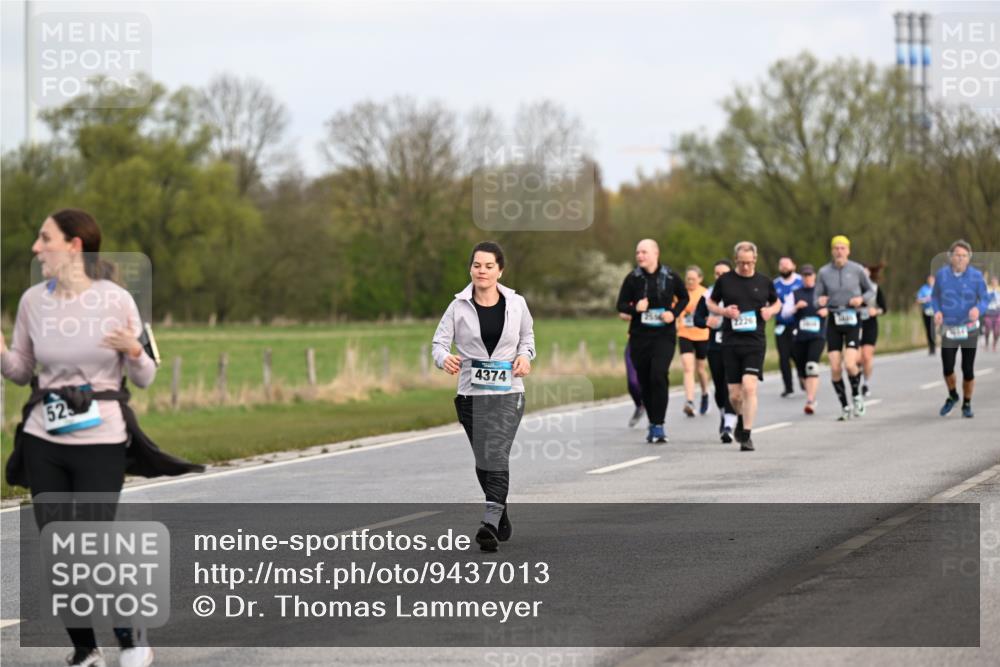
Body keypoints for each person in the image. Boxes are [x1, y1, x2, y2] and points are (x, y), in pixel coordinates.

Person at [1, 209, 202, 667]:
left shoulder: (117, 300)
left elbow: (147, 375)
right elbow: (19, 371)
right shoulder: (33, 301)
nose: (36, 248)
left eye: (44, 238)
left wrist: (133, 350)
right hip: (43, 436)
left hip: (101, 436)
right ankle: (85, 649)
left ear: (74, 245)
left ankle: (131, 637)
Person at [432, 241, 535, 552]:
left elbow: (527, 338)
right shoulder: (458, 306)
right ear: (471, 269)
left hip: (508, 391)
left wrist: (525, 356)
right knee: (483, 457)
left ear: (500, 270)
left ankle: (489, 522)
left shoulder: (517, 304)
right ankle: (500, 514)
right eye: (477, 265)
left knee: (496, 453)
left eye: (489, 266)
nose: (482, 271)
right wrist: (443, 359)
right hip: (470, 393)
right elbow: (438, 344)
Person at [705, 242, 781, 451]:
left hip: (755, 342)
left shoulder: (764, 281)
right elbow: (710, 303)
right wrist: (724, 312)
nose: (746, 267)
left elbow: (777, 302)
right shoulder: (726, 281)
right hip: (730, 343)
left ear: (755, 260)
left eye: (749, 263)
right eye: (741, 263)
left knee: (749, 387)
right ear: (735, 260)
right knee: (735, 395)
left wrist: (770, 311)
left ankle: (746, 434)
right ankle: (739, 418)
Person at [615, 239, 688, 444]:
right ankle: (652, 421)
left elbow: (684, 298)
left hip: (664, 335)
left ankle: (659, 424)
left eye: (644, 252)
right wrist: (634, 308)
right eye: (637, 252)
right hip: (640, 337)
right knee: (645, 380)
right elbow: (620, 305)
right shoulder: (633, 278)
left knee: (658, 374)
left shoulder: (671, 276)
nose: (639, 256)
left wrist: (673, 314)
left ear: (656, 253)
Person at [814, 235, 875, 421]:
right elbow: (816, 298)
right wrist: (820, 302)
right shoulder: (824, 272)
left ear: (848, 250)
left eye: (842, 248)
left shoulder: (856, 269)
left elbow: (870, 290)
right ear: (832, 251)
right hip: (833, 320)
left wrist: (861, 299)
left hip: (852, 319)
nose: (839, 251)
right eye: (836, 248)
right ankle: (845, 406)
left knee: (849, 364)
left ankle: (856, 396)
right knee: (834, 368)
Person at [931, 240, 989, 418]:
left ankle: (967, 403)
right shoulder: (942, 275)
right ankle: (953, 395)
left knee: (968, 369)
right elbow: (935, 297)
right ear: (951, 257)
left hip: (969, 328)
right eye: (957, 255)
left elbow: (985, 299)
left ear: (969, 258)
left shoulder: (976, 276)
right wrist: (937, 311)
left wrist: (977, 309)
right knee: (947, 367)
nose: (961, 259)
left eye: (964, 256)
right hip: (949, 328)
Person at [693, 259, 739, 443]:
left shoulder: (738, 292)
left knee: (731, 383)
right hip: (714, 346)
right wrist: (705, 322)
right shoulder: (708, 294)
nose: (720, 277)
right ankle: (723, 413)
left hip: (735, 345)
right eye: (717, 274)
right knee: (720, 386)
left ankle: (729, 424)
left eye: (724, 274)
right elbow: (696, 318)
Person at [791, 264, 826, 415]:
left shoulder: (822, 293)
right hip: (800, 337)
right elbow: (784, 313)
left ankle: (810, 400)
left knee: (812, 366)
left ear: (814, 276)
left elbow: (836, 306)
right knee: (802, 369)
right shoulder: (795, 293)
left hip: (818, 335)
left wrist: (827, 310)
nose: (807, 278)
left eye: (810, 275)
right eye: (805, 275)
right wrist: (795, 308)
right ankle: (805, 384)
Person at [677, 265, 711, 417]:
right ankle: (689, 401)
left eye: (693, 279)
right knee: (687, 367)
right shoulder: (680, 292)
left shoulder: (705, 293)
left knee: (700, 369)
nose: (690, 282)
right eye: (688, 279)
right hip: (684, 333)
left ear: (700, 279)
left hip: (702, 334)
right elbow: (675, 309)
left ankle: (705, 393)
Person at [773, 256, 803, 397]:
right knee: (783, 356)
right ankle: (788, 386)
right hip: (781, 325)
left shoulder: (800, 281)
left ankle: (803, 378)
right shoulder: (775, 284)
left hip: (797, 323)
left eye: (787, 265)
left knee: (797, 354)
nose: (784, 267)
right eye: (781, 265)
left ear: (794, 266)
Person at [859, 263, 887, 398]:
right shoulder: (851, 289)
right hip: (855, 325)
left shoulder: (875, 289)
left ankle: (865, 383)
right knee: (856, 358)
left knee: (866, 356)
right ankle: (856, 377)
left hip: (870, 325)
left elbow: (884, 309)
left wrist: (875, 311)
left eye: (865, 273)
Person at [619, 312, 644, 427]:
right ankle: (640, 405)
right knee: (632, 382)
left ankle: (656, 418)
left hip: (655, 342)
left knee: (653, 379)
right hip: (633, 342)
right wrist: (635, 314)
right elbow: (622, 313)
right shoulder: (635, 295)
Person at [916, 275, 937, 355]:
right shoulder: (923, 289)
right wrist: (925, 299)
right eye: (929, 280)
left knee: (933, 329)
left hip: (935, 312)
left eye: (932, 280)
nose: (931, 281)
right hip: (926, 311)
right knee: (928, 329)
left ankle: (934, 346)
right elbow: (918, 300)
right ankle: (930, 346)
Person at [983, 274, 1000, 353]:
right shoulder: (988, 289)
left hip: (997, 312)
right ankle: (986, 343)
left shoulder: (999, 290)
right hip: (988, 312)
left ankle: (994, 344)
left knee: (997, 331)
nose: (994, 282)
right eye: (993, 281)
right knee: (987, 329)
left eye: (995, 281)